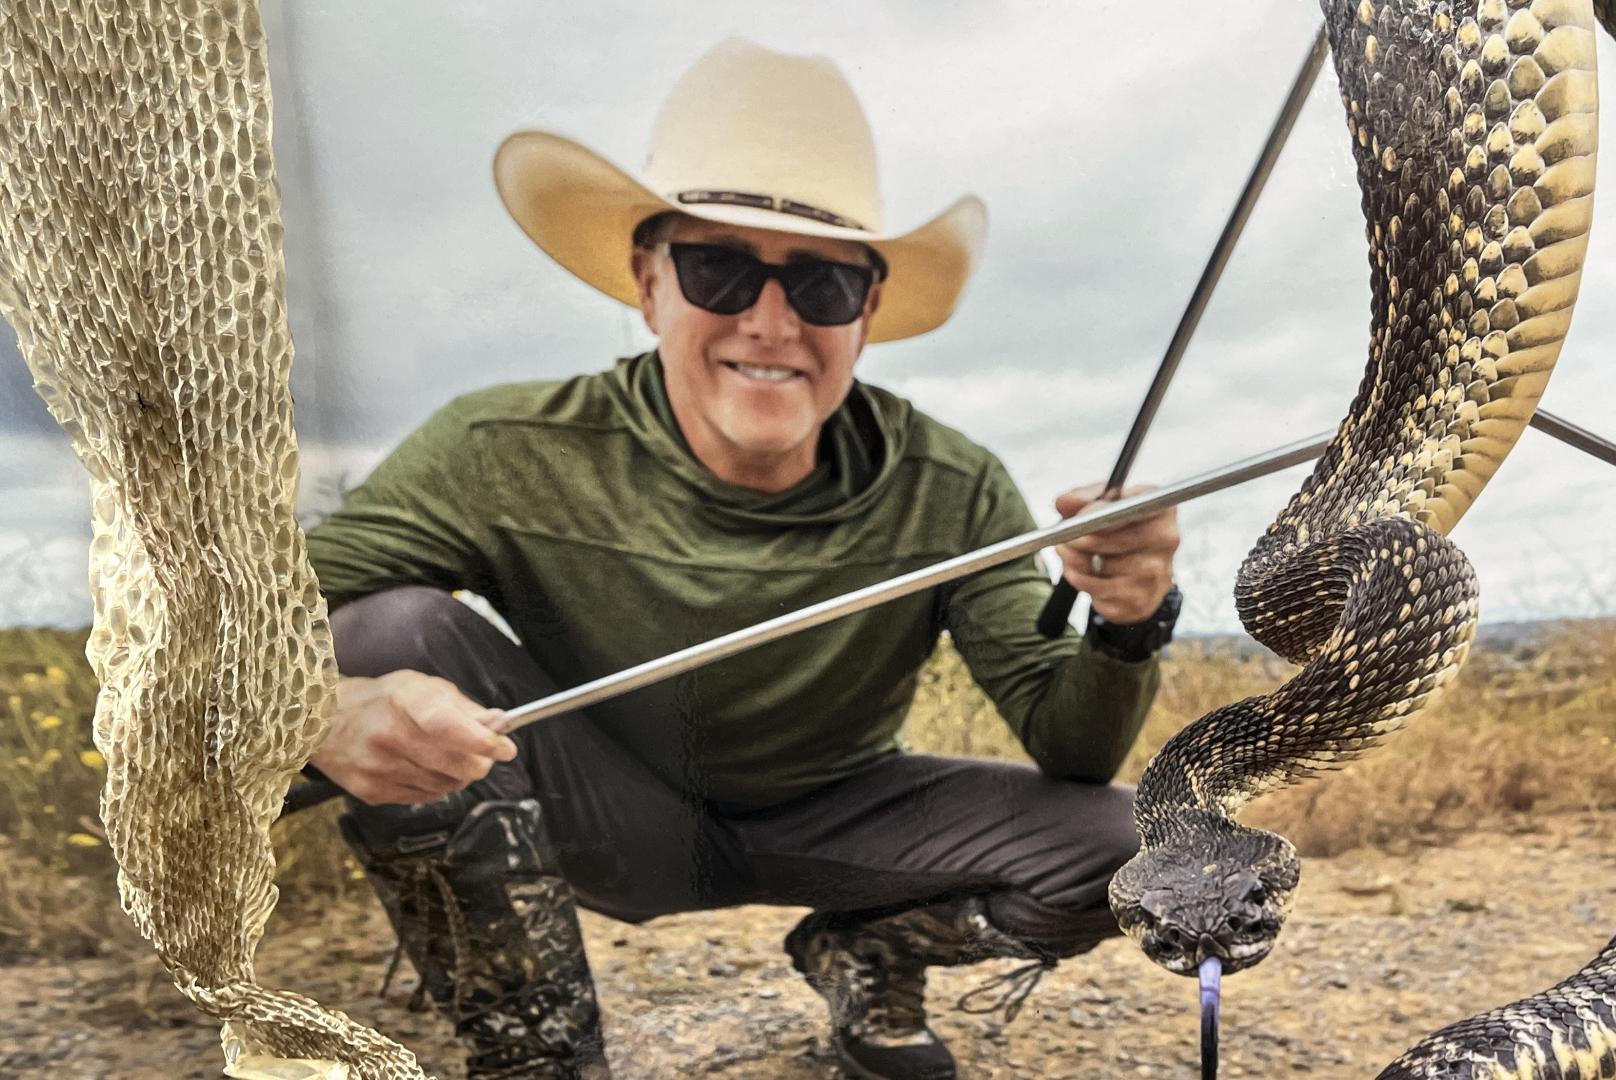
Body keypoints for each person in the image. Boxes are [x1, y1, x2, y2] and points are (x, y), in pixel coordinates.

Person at [301, 37, 1182, 1080]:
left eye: (821, 285)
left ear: (869, 311)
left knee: (1141, 847)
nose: (771, 323)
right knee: (387, 634)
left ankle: (866, 955)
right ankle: (539, 1060)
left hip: (843, 815)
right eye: (718, 268)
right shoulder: (499, 451)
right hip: (604, 814)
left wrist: (1127, 619)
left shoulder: (955, 484)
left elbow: (1072, 751)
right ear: (648, 282)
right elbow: (246, 627)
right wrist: (323, 709)